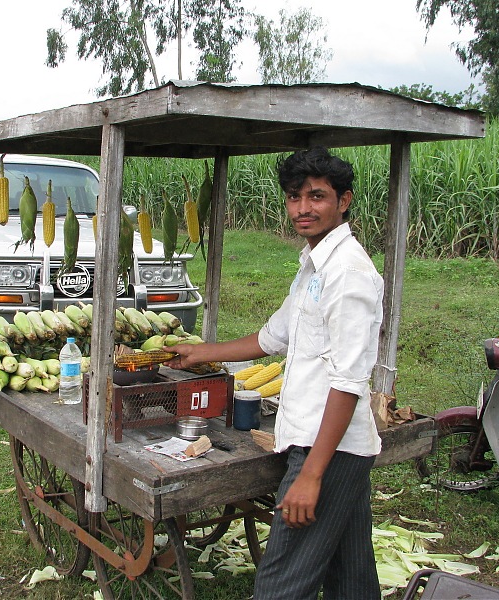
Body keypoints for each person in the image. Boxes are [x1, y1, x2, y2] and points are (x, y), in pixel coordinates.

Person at [165, 146, 384, 600]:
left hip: (329, 448)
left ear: (343, 201)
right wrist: (202, 351)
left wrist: (311, 475)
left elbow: (348, 381)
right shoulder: (315, 265)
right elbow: (274, 336)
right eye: (294, 197)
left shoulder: (349, 274)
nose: (303, 208)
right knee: (351, 579)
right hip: (326, 443)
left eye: (317, 197)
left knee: (280, 585)